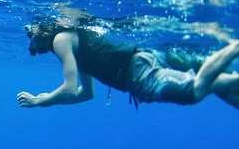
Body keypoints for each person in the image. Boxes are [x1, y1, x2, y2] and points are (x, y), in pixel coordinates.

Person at [17, 18, 239, 109]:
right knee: (223, 87)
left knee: (194, 91)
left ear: (44, 28)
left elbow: (70, 88)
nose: (31, 43)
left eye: (31, 35)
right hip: (143, 60)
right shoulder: (74, 47)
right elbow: (85, 93)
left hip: (138, 74)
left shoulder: (60, 39)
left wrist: (40, 101)